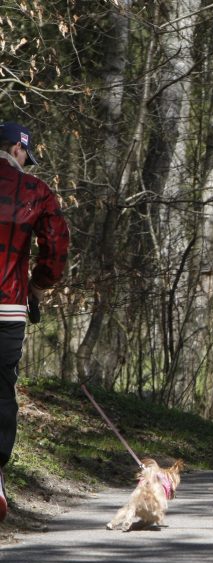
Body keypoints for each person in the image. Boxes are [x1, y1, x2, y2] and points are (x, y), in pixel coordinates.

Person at [0, 121, 71, 522]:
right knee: (1, 389)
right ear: (17, 149)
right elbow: (56, 246)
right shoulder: (35, 191)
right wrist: (38, 285)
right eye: (27, 154)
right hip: (7, 309)